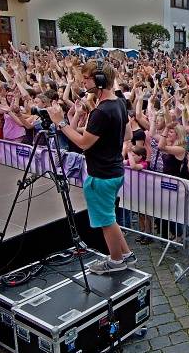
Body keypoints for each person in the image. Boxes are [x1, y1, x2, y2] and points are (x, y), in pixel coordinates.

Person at [46, 60, 133, 274]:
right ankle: (127, 255)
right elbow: (128, 135)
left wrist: (61, 122)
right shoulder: (119, 103)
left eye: (86, 78)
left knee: (106, 221)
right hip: (114, 172)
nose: (82, 82)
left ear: (100, 81)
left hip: (101, 176)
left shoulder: (101, 112)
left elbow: (83, 143)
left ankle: (115, 261)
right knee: (110, 218)